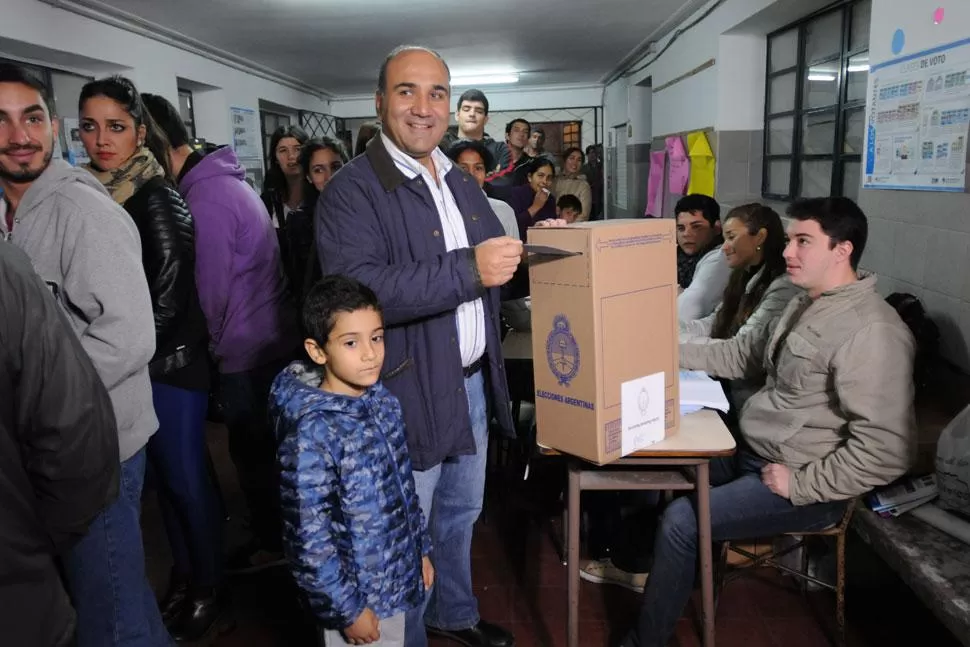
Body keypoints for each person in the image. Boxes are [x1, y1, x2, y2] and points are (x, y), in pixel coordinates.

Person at [622, 197, 917, 647]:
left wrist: (801, 485)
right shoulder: (803, 301)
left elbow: (887, 450)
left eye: (804, 241)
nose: (788, 251)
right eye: (791, 239)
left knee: (683, 520)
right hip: (753, 451)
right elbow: (742, 354)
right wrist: (656, 343)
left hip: (800, 480)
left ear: (843, 250)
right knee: (653, 460)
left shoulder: (872, 332)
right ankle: (643, 567)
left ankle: (647, 640)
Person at [316, 45, 520, 647]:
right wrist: (469, 269)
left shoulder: (459, 178)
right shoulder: (352, 191)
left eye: (438, 94)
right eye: (407, 91)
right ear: (380, 102)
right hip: (405, 389)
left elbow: (492, 269)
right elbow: (358, 293)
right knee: (399, 538)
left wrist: (541, 255)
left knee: (459, 515)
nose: (425, 108)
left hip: (473, 382)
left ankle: (452, 614)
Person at [0, 63, 164, 647]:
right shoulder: (11, 214)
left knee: (107, 620)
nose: (20, 135)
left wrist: (36, 404)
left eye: (33, 117)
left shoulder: (84, 211)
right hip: (53, 446)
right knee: (119, 591)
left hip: (102, 445)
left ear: (51, 126)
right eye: (2, 120)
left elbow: (130, 337)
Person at [78, 76, 226, 641]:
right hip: (139, 366)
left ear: (141, 131)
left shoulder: (157, 197)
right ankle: (188, 578)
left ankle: (211, 589)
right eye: (90, 127)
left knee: (187, 482)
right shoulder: (97, 192)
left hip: (170, 365)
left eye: (116, 126)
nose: (102, 140)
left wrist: (114, 358)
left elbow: (164, 304)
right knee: (168, 484)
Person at [142, 92, 300, 574]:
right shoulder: (222, 183)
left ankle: (275, 545)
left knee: (254, 457)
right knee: (262, 455)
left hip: (247, 348)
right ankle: (276, 538)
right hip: (263, 337)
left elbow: (208, 293)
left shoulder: (206, 198)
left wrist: (199, 354)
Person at [273, 275, 434, 647]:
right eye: (351, 342)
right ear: (317, 351)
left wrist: (420, 550)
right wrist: (345, 610)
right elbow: (309, 540)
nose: (370, 353)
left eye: (376, 337)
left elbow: (405, 492)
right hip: (358, 600)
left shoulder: (382, 402)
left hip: (398, 579)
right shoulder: (312, 434)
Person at [0, 242, 120, 647]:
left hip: (19, 589)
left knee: (116, 609)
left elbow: (72, 425)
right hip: (19, 590)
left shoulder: (83, 212)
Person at [679, 203, 800, 410]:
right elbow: (716, 322)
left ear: (760, 237)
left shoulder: (783, 287)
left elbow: (740, 353)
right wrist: (670, 332)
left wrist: (671, 348)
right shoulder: (743, 275)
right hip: (729, 386)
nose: (724, 247)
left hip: (748, 401)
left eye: (732, 237)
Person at [296, 137, 349, 301]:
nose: (329, 177)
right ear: (308, 177)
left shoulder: (366, 212)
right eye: (318, 170)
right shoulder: (300, 223)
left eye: (336, 167)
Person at [262, 124, 310, 293]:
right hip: (279, 290)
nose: (292, 157)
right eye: (283, 150)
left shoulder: (319, 195)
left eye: (297, 149)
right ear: (275, 157)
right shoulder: (268, 199)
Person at [445, 139, 517, 239]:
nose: (471, 174)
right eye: (463, 168)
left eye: (478, 168)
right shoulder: (441, 210)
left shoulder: (502, 211)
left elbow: (513, 252)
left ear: (485, 174)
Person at [675, 194, 730, 321]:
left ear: (716, 228)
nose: (686, 234)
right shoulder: (677, 255)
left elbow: (685, 313)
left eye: (696, 227)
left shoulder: (720, 258)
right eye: (681, 228)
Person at [438, 89, 509, 174]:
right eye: (466, 109)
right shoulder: (440, 145)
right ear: (457, 115)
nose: (472, 114)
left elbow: (505, 181)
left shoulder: (500, 149)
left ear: (485, 119)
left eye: (479, 111)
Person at [507, 157, 557, 240]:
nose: (545, 181)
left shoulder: (550, 199)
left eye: (549, 178)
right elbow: (513, 227)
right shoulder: (516, 194)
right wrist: (535, 207)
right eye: (540, 176)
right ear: (530, 177)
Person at [553, 147, 591, 221]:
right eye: (572, 158)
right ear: (564, 160)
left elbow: (584, 215)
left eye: (579, 160)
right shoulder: (554, 181)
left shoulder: (583, 185)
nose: (575, 162)